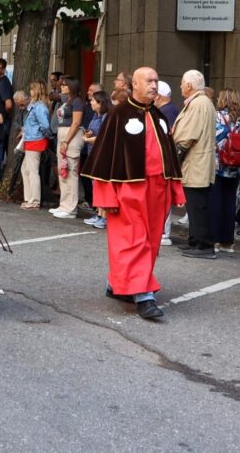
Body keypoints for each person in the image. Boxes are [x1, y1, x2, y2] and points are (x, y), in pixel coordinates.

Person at [83, 67, 186, 320]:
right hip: (128, 188)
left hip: (157, 189)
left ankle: (118, 283)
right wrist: (105, 197)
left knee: (150, 240)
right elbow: (105, 158)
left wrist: (174, 189)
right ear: (135, 85)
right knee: (132, 239)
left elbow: (169, 157)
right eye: (149, 81)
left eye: (156, 80)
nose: (154, 85)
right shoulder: (118, 114)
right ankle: (143, 294)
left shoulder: (160, 116)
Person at [173, 70, 217, 258]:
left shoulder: (198, 103)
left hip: (196, 162)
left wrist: (176, 158)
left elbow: (186, 136)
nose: (181, 86)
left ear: (189, 86)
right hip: (197, 162)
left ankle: (204, 245)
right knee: (194, 205)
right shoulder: (201, 101)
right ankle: (195, 241)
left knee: (197, 206)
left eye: (182, 83)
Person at [210, 89, 240, 253]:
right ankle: (227, 242)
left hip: (219, 164)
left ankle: (215, 239)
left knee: (216, 201)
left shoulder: (218, 116)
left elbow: (214, 138)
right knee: (230, 202)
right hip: (236, 166)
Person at [49, 77, 84, 219]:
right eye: (61, 85)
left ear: (72, 86)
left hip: (71, 136)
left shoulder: (77, 102)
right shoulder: (66, 101)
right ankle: (64, 204)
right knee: (62, 171)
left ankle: (71, 208)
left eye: (65, 85)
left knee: (70, 171)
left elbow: (76, 123)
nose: (62, 87)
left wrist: (66, 141)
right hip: (62, 134)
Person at [81, 90, 112, 229]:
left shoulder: (106, 117)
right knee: (96, 185)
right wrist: (89, 133)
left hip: (102, 154)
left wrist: (88, 139)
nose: (91, 102)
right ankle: (98, 214)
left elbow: (104, 137)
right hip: (92, 152)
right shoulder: (96, 115)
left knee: (100, 186)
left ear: (101, 103)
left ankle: (103, 217)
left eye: (94, 101)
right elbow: (94, 131)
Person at [19, 80, 51, 210]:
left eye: (32, 89)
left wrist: (38, 133)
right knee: (26, 169)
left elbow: (45, 125)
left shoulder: (39, 107)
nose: (30, 92)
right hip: (32, 140)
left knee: (32, 171)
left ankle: (34, 200)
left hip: (35, 140)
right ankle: (29, 198)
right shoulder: (36, 106)